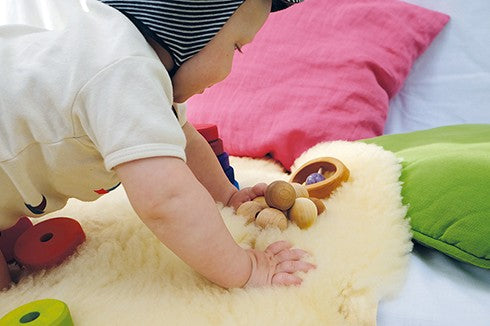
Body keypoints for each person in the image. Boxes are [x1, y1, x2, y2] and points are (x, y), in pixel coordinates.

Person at [0, 0, 315, 290]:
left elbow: (184, 142)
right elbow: (166, 200)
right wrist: (245, 269)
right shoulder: (123, 72)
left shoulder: (122, 56)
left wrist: (226, 197)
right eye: (235, 47)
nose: (229, 69)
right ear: (190, 25)